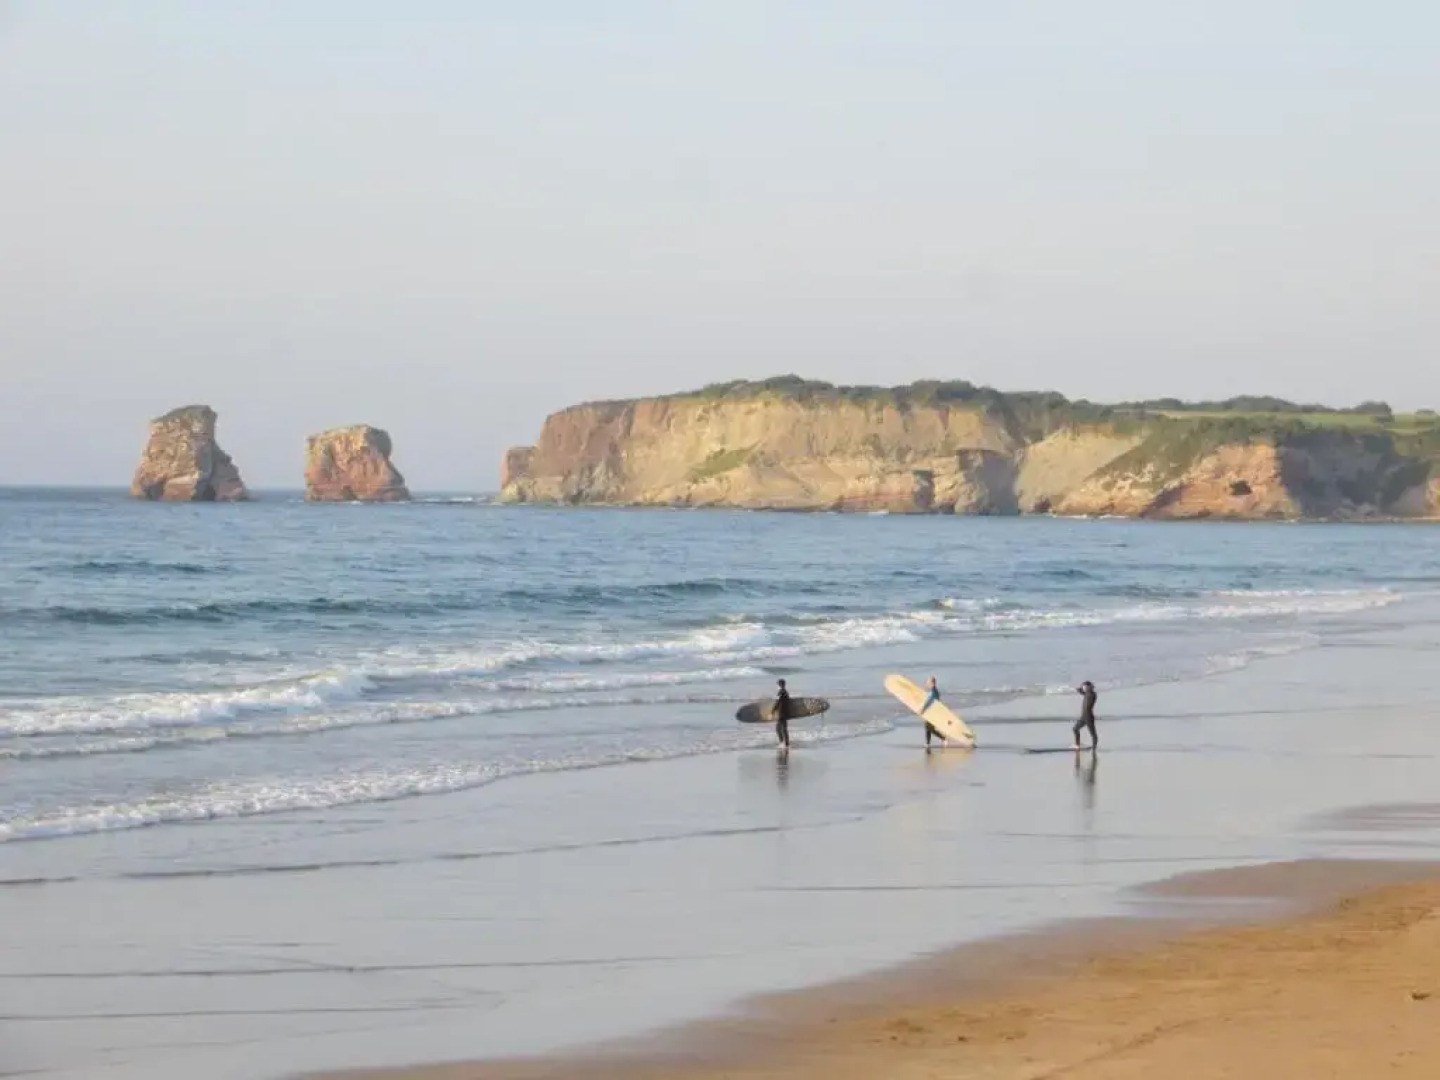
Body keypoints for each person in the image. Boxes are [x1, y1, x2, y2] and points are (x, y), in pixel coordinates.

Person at [920, 675, 945, 748]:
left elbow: (929, 701)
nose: (927, 683)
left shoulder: (933, 691)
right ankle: (929, 742)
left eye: (928, 682)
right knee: (929, 727)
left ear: (931, 682)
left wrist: (923, 709)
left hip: (932, 712)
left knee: (929, 727)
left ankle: (942, 738)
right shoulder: (934, 690)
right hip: (933, 711)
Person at [1073, 680, 1099, 750]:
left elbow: (1085, 692)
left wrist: (1086, 688)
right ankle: (1077, 745)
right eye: (1084, 687)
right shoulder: (1086, 693)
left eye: (1085, 687)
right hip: (1083, 717)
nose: (1084, 688)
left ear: (1089, 687)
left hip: (1089, 717)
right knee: (1075, 729)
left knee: (1093, 734)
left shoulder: (1092, 694)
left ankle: (1094, 749)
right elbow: (1080, 690)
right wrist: (1081, 687)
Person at [774, 678, 792, 750]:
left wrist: (774, 709)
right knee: (783, 728)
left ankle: (783, 743)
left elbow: (778, 702)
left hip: (781, 712)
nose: (777, 685)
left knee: (779, 729)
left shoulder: (781, 692)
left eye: (778, 684)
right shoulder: (786, 692)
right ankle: (785, 743)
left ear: (780, 684)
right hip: (785, 712)